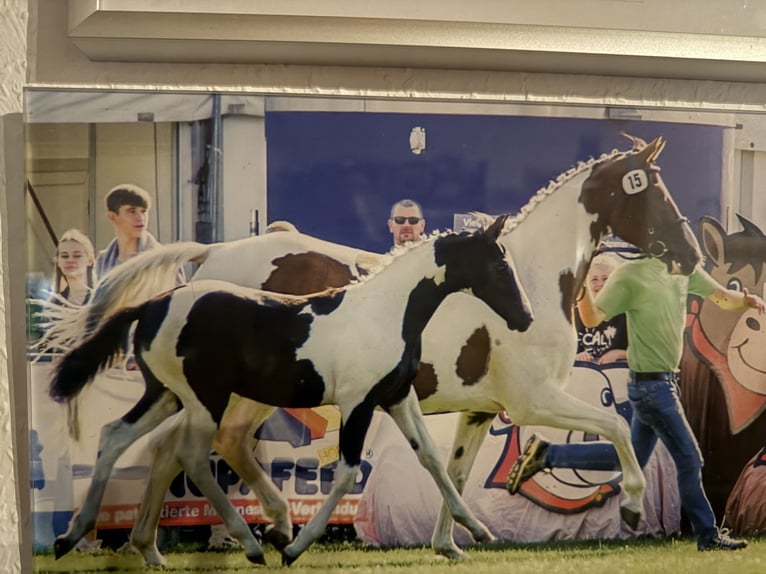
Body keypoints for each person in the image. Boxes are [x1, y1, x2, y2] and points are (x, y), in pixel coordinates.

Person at [507, 253, 765, 552]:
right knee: (690, 460)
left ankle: (546, 454)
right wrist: (581, 287)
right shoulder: (631, 275)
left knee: (627, 459)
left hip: (662, 384)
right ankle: (708, 535)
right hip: (652, 387)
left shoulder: (685, 270)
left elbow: (721, 298)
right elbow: (591, 319)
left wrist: (745, 300)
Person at [96, 184, 161, 277]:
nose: (141, 218)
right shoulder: (103, 261)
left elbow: (178, 291)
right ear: (113, 217)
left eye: (143, 211)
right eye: (132, 211)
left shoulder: (162, 259)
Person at [574, 254, 627, 364]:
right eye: (594, 279)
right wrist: (576, 356)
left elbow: (646, 352)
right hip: (581, 376)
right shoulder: (575, 313)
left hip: (618, 375)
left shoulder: (627, 313)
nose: (600, 283)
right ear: (585, 283)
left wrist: (619, 353)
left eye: (605, 278)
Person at [51, 228, 96, 306]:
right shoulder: (54, 306)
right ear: (58, 262)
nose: (70, 260)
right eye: (65, 256)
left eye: (77, 256)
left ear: (89, 260)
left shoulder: (102, 300)